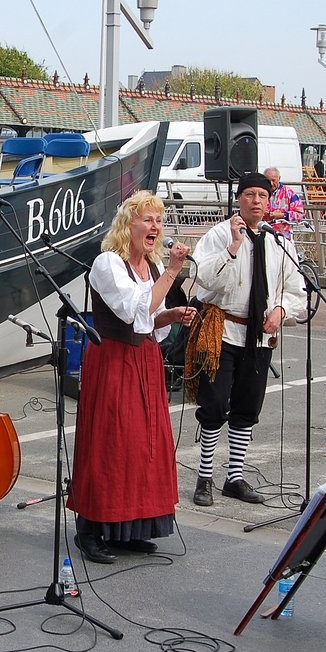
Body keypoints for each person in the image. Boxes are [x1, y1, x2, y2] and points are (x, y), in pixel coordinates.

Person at [65, 191, 195, 563]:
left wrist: (170, 316)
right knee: (110, 443)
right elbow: (129, 312)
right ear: (129, 225)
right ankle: (90, 530)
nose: (154, 226)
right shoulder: (108, 263)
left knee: (144, 446)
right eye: (147, 219)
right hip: (114, 359)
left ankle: (129, 528)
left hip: (145, 359)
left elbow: (149, 319)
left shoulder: (150, 267)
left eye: (158, 220)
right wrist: (172, 272)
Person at [187, 173, 307, 505]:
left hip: (258, 337)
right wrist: (233, 247)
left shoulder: (278, 241)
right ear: (238, 199)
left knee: (247, 408)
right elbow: (203, 280)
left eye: (262, 196)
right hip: (223, 330)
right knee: (214, 405)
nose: (256, 201)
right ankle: (205, 477)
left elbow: (296, 291)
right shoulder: (218, 235)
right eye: (249, 194)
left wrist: (281, 311)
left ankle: (235, 477)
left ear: (269, 203)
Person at [262, 167, 304, 239]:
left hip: (283, 237)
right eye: (268, 181)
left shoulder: (289, 193)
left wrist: (283, 215)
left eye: (273, 180)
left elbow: (301, 215)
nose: (271, 184)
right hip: (263, 235)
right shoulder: (259, 193)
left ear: (279, 179)